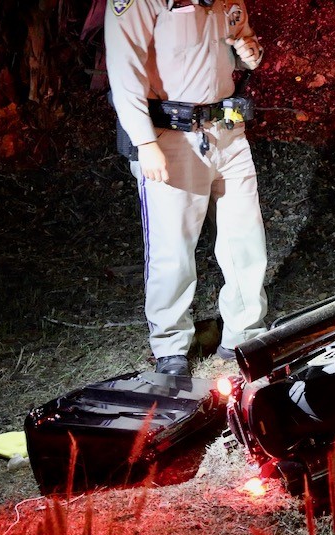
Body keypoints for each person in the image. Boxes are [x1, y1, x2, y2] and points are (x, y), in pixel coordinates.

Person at [105, 0, 268, 376]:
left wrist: (248, 53)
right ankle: (170, 346)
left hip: (228, 131)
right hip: (171, 137)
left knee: (245, 239)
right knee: (172, 248)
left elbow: (242, 40)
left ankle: (244, 335)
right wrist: (145, 142)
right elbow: (124, 70)